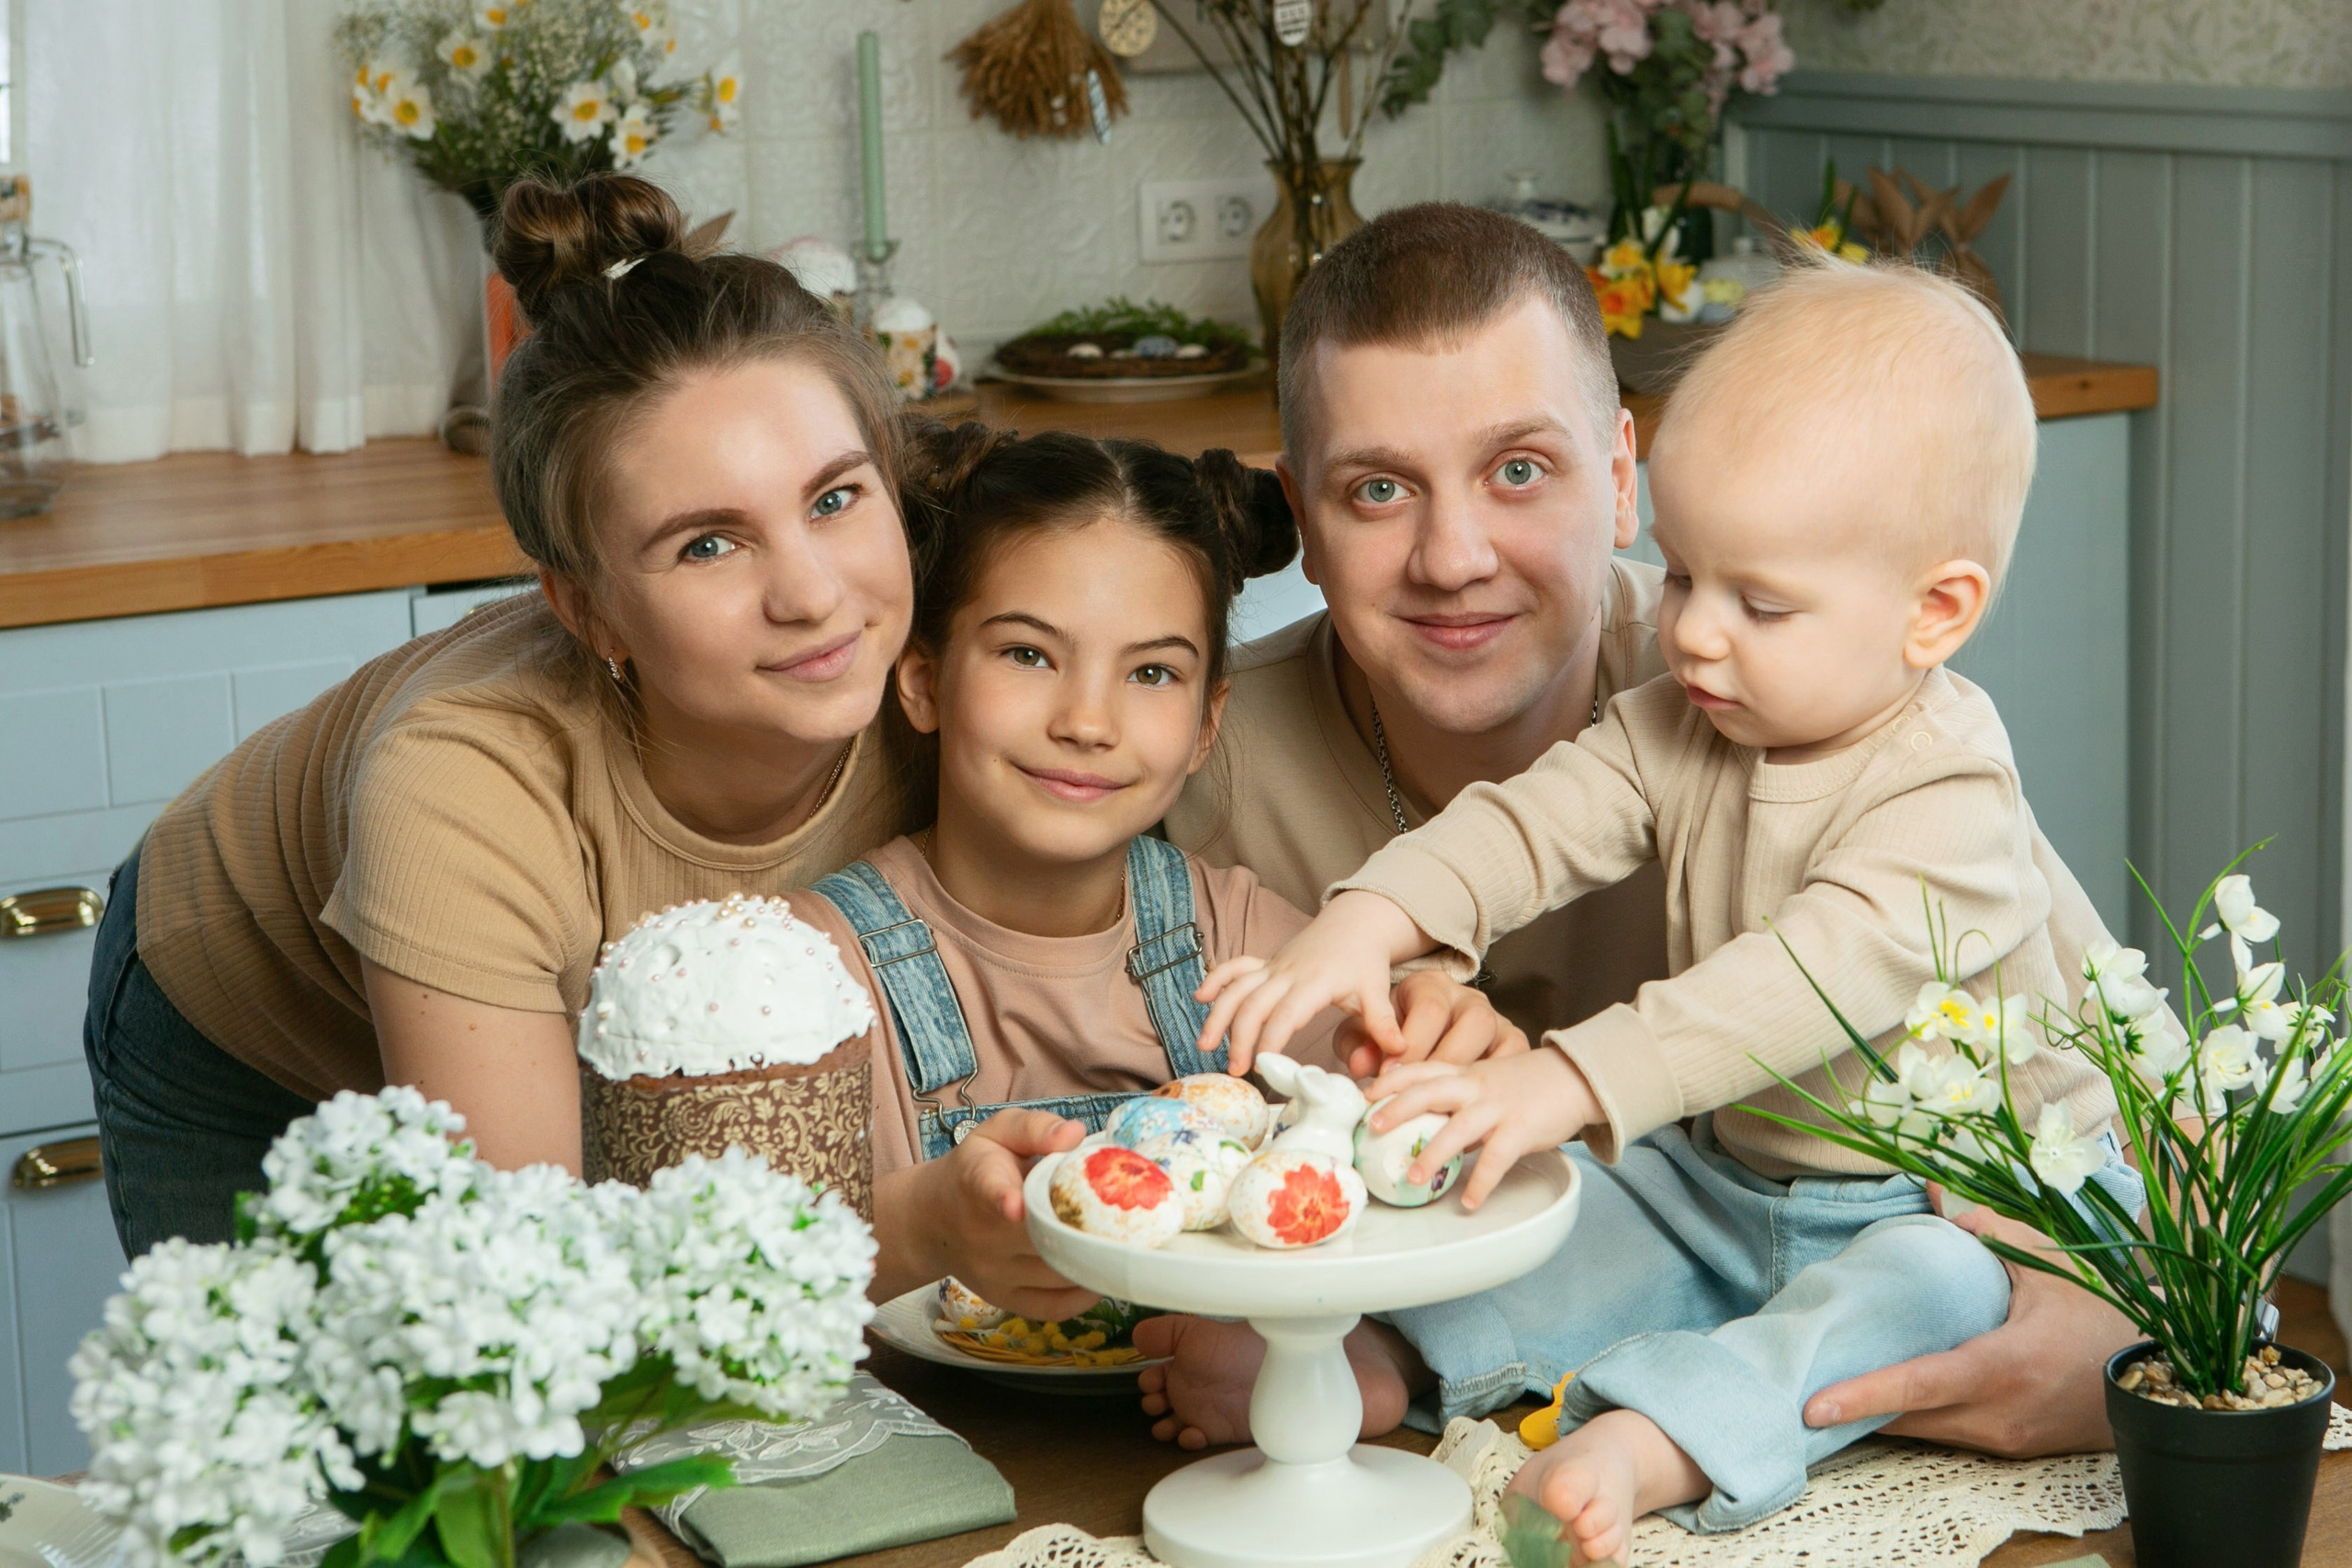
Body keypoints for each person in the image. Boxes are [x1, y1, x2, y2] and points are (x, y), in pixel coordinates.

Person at [1146, 204, 2143, 1461]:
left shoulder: (1915, 759)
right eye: (1380, 487)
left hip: (1942, 1210)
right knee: (1598, 1219)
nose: (1453, 558)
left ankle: (1670, 1434)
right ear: (1302, 508)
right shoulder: (1213, 746)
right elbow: (1523, 826)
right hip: (1723, 1193)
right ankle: (1398, 1355)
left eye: (1520, 469)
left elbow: (1830, 989)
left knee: (1913, 1285)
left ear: (1620, 473)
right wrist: (1366, 923)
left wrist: (2120, 1326)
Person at [797, 423, 1516, 1318]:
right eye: (1027, 654)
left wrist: (1437, 1047)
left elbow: (1393, 1129)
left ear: (1207, 723)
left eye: (1151, 673)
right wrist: (918, 1227)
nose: (1087, 720)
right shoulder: (810, 973)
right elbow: (727, 1282)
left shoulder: (1240, 942)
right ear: (923, 680)